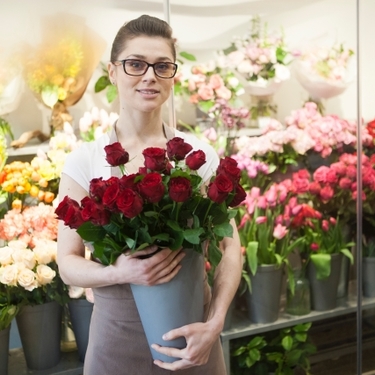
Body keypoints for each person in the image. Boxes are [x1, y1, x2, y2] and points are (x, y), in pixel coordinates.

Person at [57, 14, 242, 375]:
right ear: (113, 72)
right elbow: (67, 264)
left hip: (193, 341)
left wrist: (215, 323)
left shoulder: (197, 156)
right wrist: (119, 272)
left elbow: (229, 246)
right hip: (116, 342)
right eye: (135, 64)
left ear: (173, 75)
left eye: (162, 66)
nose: (149, 76)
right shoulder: (85, 160)